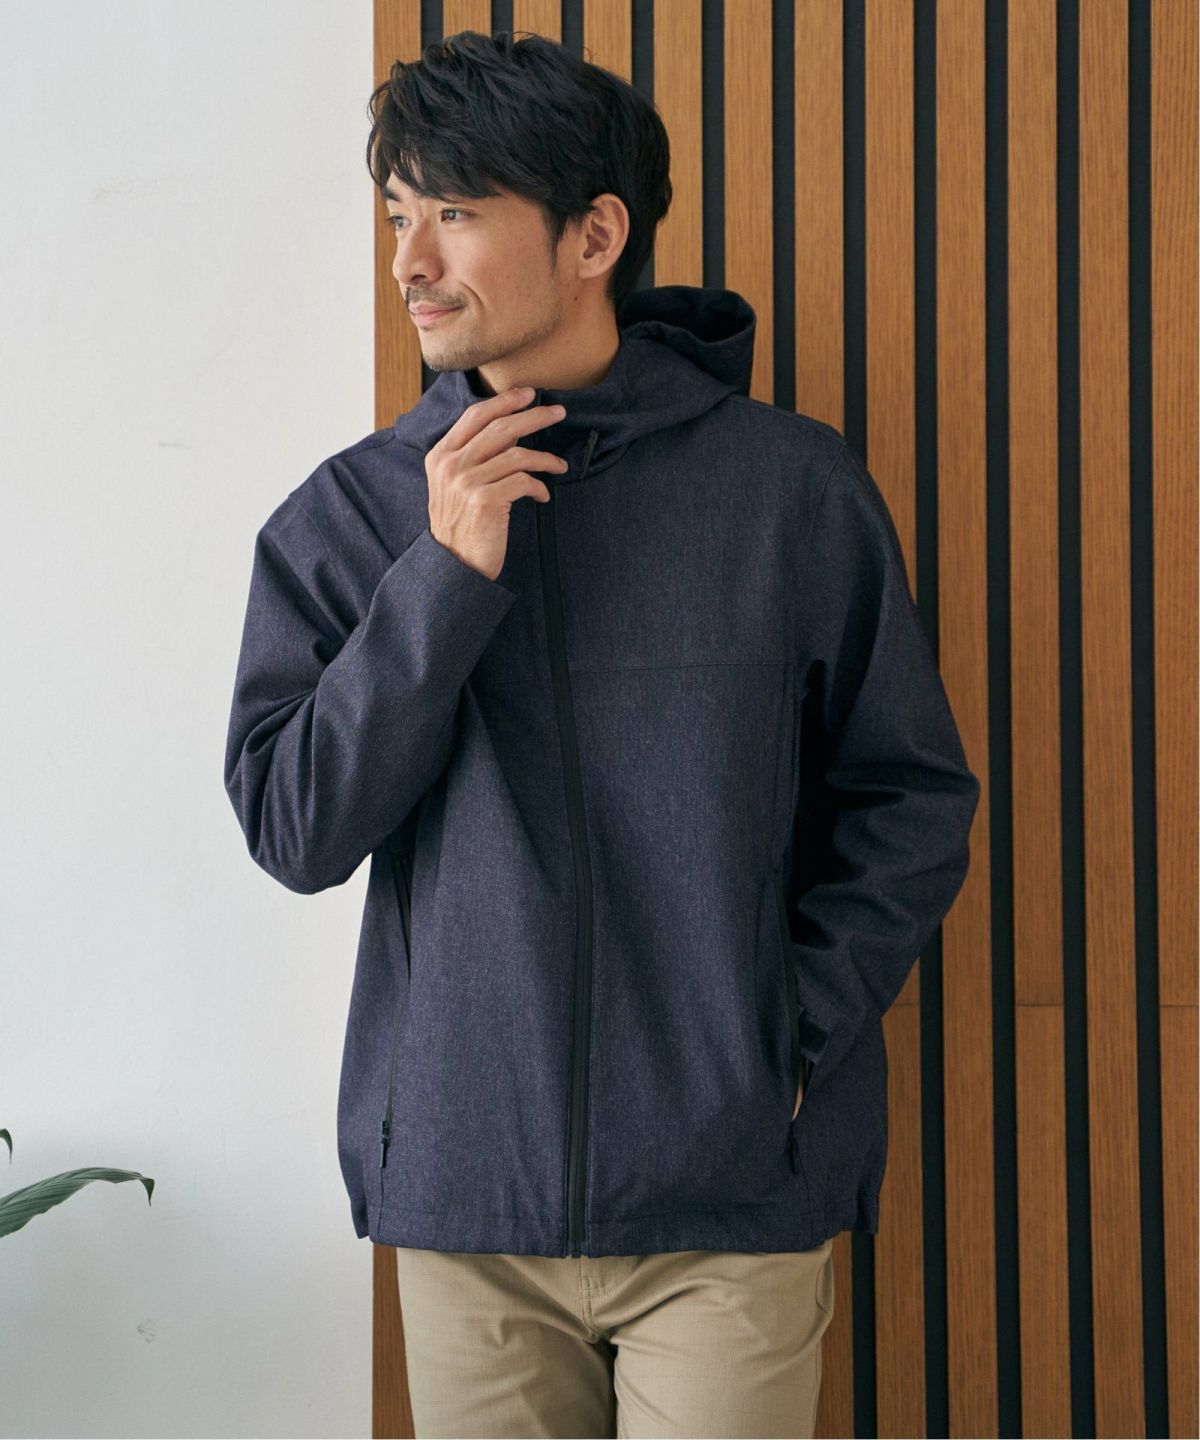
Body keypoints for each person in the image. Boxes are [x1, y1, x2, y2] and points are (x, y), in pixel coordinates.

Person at [223, 28, 981, 1440]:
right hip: (470, 1205)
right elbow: (295, 827)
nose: (410, 263)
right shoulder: (356, 515)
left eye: (455, 212)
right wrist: (442, 583)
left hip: (726, 1201)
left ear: (595, 235)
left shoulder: (789, 495)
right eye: (396, 215)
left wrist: (786, 1038)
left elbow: (910, 797)